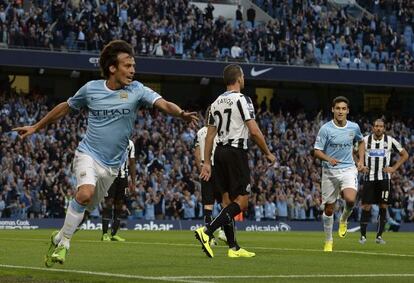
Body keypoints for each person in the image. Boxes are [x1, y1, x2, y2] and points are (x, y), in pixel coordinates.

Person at [13, 40, 198, 267]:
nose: (132, 70)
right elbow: (65, 107)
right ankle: (64, 245)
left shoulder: (137, 90)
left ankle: (59, 236)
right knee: (84, 194)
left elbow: (163, 103)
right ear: (112, 68)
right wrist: (35, 127)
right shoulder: (91, 89)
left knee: (83, 214)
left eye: (133, 66)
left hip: (112, 166)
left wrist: (180, 114)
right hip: (88, 154)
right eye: (127, 66)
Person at [195, 64, 276, 258]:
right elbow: (254, 131)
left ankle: (233, 248)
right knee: (242, 202)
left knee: (227, 202)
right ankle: (206, 231)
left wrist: (207, 162)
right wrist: (267, 153)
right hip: (235, 152)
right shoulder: (243, 99)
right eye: (243, 76)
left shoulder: (215, 102)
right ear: (239, 78)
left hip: (219, 153)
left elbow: (210, 136)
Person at [313, 96, 365, 252]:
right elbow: (316, 151)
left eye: (343, 109)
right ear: (333, 110)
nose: (340, 111)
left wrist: (361, 160)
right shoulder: (326, 129)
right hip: (329, 172)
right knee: (329, 209)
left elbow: (361, 142)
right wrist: (328, 158)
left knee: (350, 199)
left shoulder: (354, 127)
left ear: (347, 110)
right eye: (338, 108)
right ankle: (328, 240)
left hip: (348, 169)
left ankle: (343, 219)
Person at [359, 118, 408, 244]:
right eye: (376, 126)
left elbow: (405, 154)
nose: (378, 128)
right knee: (366, 206)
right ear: (373, 128)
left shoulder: (390, 141)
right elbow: (353, 152)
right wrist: (359, 164)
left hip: (384, 179)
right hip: (369, 178)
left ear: (384, 128)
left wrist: (394, 168)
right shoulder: (365, 140)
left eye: (381, 126)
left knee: (383, 206)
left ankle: (379, 236)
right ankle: (363, 236)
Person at [194, 107, 227, 245]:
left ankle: (209, 238)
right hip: (216, 168)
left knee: (208, 204)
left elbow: (196, 153)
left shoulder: (200, 132)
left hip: (204, 168)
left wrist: (201, 169)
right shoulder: (218, 131)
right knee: (225, 202)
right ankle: (224, 231)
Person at [101, 139, 136, 242]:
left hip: (123, 177)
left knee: (119, 204)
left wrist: (133, 182)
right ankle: (104, 234)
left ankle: (114, 234)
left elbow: (132, 163)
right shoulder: (112, 140)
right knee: (109, 202)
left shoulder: (130, 144)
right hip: (110, 176)